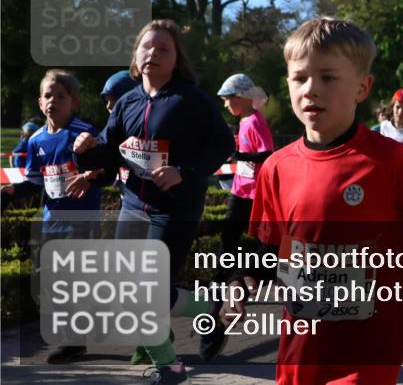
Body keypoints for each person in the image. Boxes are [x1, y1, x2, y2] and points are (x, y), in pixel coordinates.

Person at [226, 17, 403, 385]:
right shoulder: (276, 168)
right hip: (301, 348)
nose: (311, 90)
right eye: (300, 78)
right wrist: (239, 281)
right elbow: (271, 250)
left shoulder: (388, 160)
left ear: (362, 87)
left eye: (328, 77)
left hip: (367, 351)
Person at [74, 20, 236, 383]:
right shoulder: (127, 102)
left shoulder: (191, 100)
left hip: (174, 210)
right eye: (147, 47)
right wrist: (84, 153)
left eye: (164, 49)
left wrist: (185, 170)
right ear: (136, 55)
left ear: (176, 59)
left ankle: (171, 367)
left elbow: (223, 145)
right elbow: (108, 153)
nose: (153, 54)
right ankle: (209, 309)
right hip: (133, 205)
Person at [2, 70, 104, 363]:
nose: (53, 101)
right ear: (39, 101)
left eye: (61, 96)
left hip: (81, 220)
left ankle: (75, 341)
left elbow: (102, 170)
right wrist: (10, 192)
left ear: (74, 102)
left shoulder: (84, 134)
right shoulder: (35, 140)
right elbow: (36, 182)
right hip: (51, 221)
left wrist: (91, 173)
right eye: (48, 95)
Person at [211, 74, 274, 302]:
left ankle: (255, 277)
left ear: (243, 97)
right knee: (229, 236)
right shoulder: (243, 120)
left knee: (263, 240)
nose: (226, 104)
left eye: (228, 99)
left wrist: (242, 155)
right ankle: (220, 281)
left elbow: (268, 154)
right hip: (240, 190)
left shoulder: (256, 121)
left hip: (256, 194)